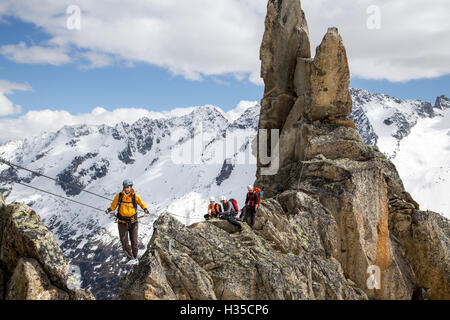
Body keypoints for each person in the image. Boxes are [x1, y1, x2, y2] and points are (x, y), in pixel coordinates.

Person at [106, 179, 149, 265]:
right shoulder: (119, 196)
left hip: (133, 222)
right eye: (126, 187)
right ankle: (131, 257)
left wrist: (145, 209)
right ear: (123, 188)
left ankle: (135, 257)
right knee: (124, 241)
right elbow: (114, 205)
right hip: (122, 222)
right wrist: (109, 209)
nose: (127, 189)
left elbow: (141, 203)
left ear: (131, 187)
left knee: (134, 241)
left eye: (128, 187)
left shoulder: (134, 196)